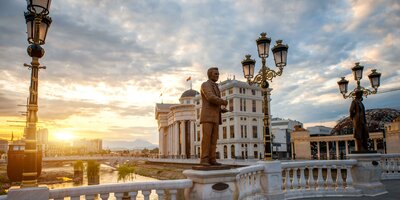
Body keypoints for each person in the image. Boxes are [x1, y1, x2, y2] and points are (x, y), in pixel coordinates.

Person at [200, 67, 228, 166]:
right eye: (215, 74)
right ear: (210, 74)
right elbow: (210, 97)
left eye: (218, 74)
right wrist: (223, 102)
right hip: (207, 117)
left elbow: (213, 104)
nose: (217, 75)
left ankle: (212, 159)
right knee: (206, 139)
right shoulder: (205, 85)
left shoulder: (216, 87)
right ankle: (204, 159)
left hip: (215, 117)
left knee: (213, 139)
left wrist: (221, 109)